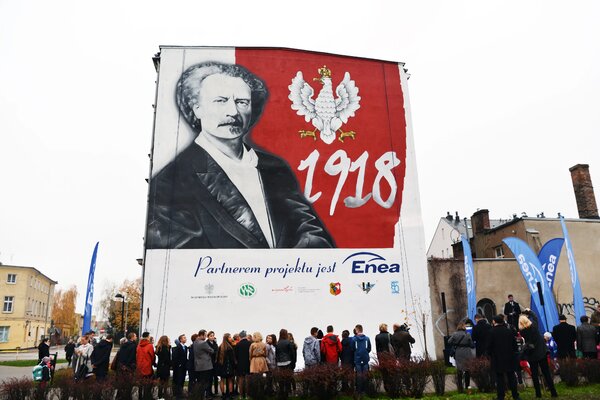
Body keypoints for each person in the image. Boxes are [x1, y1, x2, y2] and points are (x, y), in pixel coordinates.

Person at [146, 61, 335, 250]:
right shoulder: (171, 181)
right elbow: (181, 259)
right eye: (220, 101)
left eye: (242, 102)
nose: (233, 112)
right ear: (197, 109)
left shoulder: (274, 167)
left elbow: (309, 229)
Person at [518, 315, 558, 398]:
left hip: (532, 355)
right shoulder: (534, 327)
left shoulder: (522, 332)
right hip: (541, 353)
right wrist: (529, 312)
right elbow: (535, 318)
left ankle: (538, 393)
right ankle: (553, 392)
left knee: (534, 375)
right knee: (546, 373)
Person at [487, 315, 521, 400]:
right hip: (509, 357)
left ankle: (501, 396)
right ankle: (515, 395)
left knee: (499, 378)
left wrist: (490, 355)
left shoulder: (491, 332)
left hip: (497, 358)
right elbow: (515, 346)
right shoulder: (509, 331)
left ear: (494, 321)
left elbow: (489, 346)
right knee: (511, 377)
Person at [448, 322, 475, 393]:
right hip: (467, 353)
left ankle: (460, 387)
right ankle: (467, 386)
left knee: (459, 369)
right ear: (463, 327)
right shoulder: (467, 334)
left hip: (458, 353)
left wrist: (456, 343)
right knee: (467, 370)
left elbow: (449, 341)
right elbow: (472, 345)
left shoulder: (455, 334)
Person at [193, 329, 215, 398]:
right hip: (206, 365)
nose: (205, 337)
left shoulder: (195, 342)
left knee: (200, 382)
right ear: (201, 335)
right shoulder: (203, 343)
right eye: (205, 335)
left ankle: (200, 395)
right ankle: (207, 395)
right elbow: (211, 351)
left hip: (198, 365)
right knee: (206, 382)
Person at [353, 324, 372, 395]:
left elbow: (353, 348)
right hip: (365, 359)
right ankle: (365, 390)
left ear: (357, 330)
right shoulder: (367, 338)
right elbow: (369, 348)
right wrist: (365, 353)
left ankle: (359, 390)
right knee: (365, 375)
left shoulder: (354, 339)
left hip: (357, 359)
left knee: (359, 375)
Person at [216, 333, 236, 400]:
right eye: (230, 337)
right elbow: (232, 359)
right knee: (230, 380)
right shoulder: (230, 348)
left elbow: (217, 358)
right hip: (228, 366)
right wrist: (234, 366)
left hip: (221, 366)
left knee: (222, 380)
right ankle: (230, 394)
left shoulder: (220, 347)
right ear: (227, 338)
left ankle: (223, 394)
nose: (231, 338)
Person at [234, 330, 251, 399]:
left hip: (240, 364)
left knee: (240, 380)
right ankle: (247, 395)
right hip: (248, 363)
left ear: (240, 336)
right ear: (246, 336)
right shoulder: (250, 343)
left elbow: (236, 355)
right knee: (247, 380)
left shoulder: (238, 344)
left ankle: (241, 395)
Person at [172, 334, 189, 399]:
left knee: (182, 380)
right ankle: (178, 394)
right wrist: (179, 364)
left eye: (185, 338)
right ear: (181, 340)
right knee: (179, 380)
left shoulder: (185, 347)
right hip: (179, 367)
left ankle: (180, 393)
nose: (185, 339)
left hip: (184, 367)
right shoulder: (178, 347)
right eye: (184, 338)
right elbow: (175, 357)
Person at [206, 331, 219, 397]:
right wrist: (214, 351)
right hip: (208, 362)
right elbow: (210, 351)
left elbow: (217, 351)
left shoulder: (215, 343)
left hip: (215, 363)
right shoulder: (206, 343)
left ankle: (215, 391)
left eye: (213, 335)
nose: (212, 337)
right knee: (209, 378)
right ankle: (208, 393)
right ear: (208, 337)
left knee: (215, 377)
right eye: (211, 336)